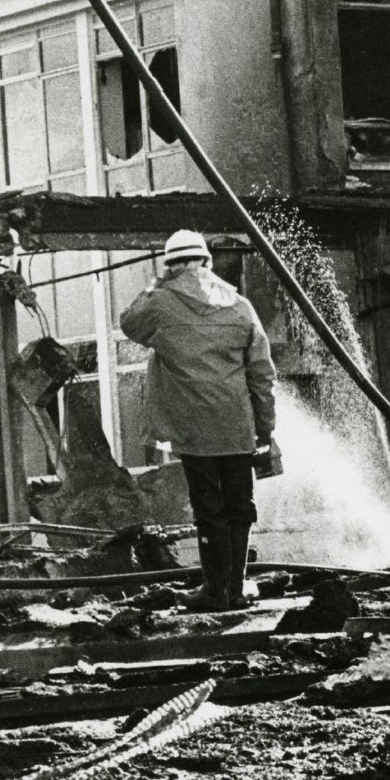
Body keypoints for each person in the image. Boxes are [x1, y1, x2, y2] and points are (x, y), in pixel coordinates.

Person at [120, 229, 278, 610]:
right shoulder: (240, 305)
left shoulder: (159, 304)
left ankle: (213, 590)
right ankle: (236, 590)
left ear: (170, 266)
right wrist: (266, 427)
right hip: (238, 426)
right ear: (207, 261)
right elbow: (261, 372)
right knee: (241, 506)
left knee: (209, 509)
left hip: (192, 429)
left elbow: (128, 323)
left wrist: (157, 282)